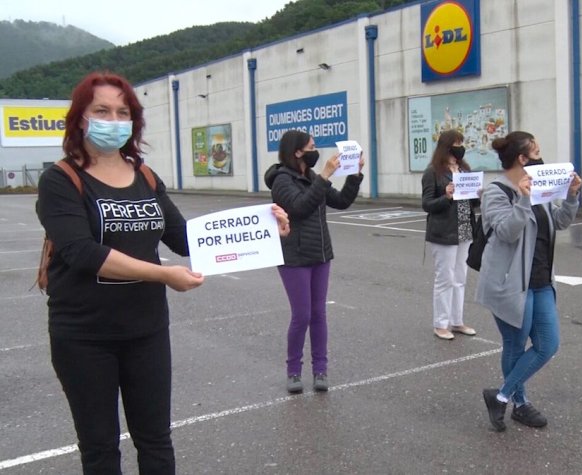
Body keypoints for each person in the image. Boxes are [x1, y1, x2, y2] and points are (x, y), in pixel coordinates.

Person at [36, 71, 289, 474]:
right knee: (100, 448)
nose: (114, 120)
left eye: (123, 112)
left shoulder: (146, 177)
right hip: (84, 336)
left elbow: (186, 238)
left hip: (146, 331)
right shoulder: (60, 180)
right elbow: (83, 252)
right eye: (102, 110)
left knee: (156, 440)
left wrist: (261, 226)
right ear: (81, 117)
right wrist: (163, 274)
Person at [476, 131, 582, 431]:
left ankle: (500, 396)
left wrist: (572, 195)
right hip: (510, 284)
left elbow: (559, 221)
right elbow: (507, 231)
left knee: (548, 345)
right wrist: (524, 199)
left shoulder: (541, 185)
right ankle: (520, 404)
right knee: (515, 344)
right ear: (523, 158)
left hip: (542, 280)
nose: (540, 156)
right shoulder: (496, 191)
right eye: (536, 151)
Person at [264, 130, 364, 394]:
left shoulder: (312, 178)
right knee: (302, 315)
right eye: (312, 146)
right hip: (294, 257)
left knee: (319, 314)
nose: (315, 150)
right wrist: (325, 176)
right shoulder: (281, 181)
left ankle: (320, 369)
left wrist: (355, 175)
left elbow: (341, 201)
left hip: (320, 254)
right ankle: (293, 371)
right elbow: (299, 208)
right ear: (297, 152)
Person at [421, 129, 478, 340]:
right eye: (456, 143)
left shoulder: (464, 170)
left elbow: (472, 202)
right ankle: (440, 323)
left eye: (462, 143)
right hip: (444, 231)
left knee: (460, 277)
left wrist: (477, 194)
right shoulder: (433, 172)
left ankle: (457, 321)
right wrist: (446, 196)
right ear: (446, 146)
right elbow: (427, 204)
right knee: (445, 277)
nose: (460, 147)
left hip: (464, 228)